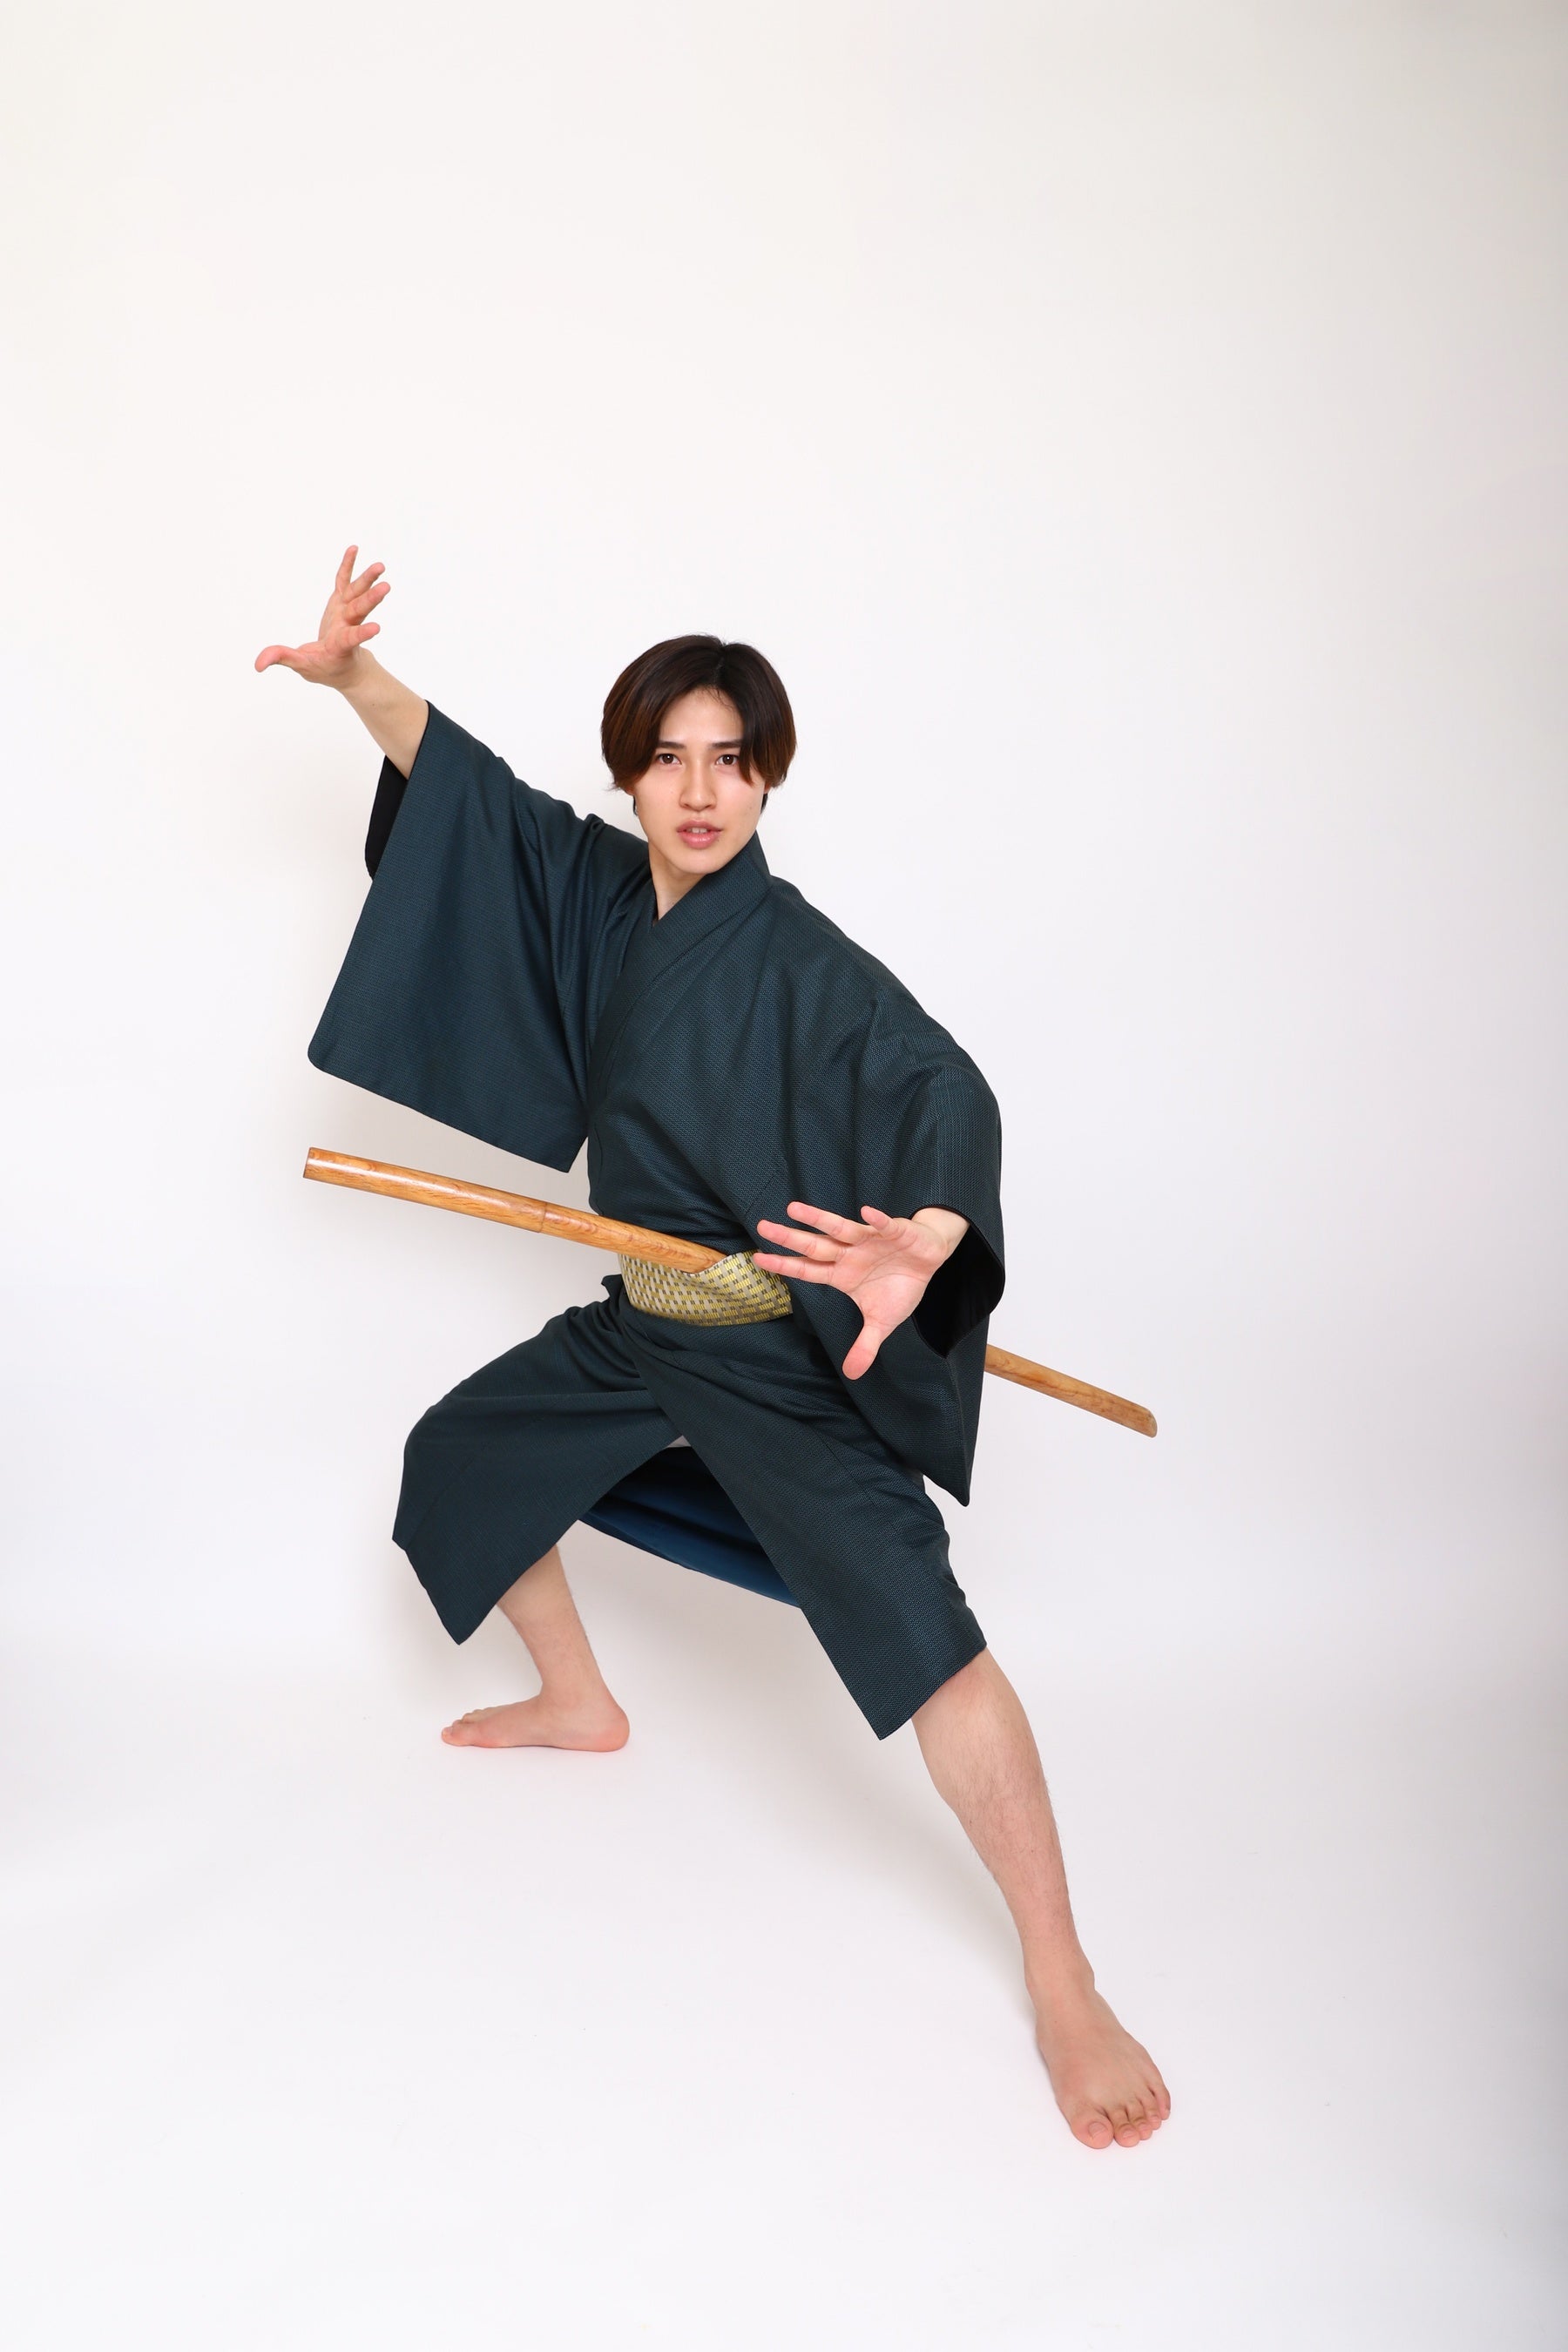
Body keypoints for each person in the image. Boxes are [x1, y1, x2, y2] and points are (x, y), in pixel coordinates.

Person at [257, 546, 1170, 2152]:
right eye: (669, 758)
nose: (698, 791)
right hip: (642, 1323)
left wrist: (929, 1236)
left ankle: (1063, 1970)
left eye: (730, 760)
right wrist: (357, 686)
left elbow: (946, 1088)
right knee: (461, 1456)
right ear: (631, 772)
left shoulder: (807, 966)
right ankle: (580, 1701)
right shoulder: (601, 892)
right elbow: (468, 797)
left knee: (928, 1641)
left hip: (769, 1352)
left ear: (767, 778)